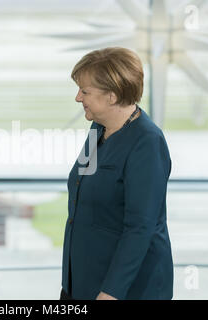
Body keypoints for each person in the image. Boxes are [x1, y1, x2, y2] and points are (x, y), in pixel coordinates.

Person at [60, 47, 173, 300]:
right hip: (82, 281)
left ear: (111, 96)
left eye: (85, 91)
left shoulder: (147, 143)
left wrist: (111, 293)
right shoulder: (98, 128)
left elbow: (140, 228)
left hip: (124, 290)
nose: (78, 98)